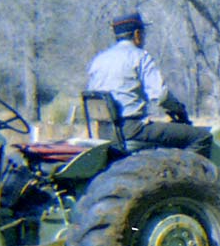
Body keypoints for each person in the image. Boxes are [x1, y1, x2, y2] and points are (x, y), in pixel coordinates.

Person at [86, 11, 211, 153]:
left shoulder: (98, 60)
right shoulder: (139, 56)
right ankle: (186, 173)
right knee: (202, 137)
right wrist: (178, 110)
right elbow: (160, 96)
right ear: (137, 34)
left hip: (104, 132)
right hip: (133, 130)